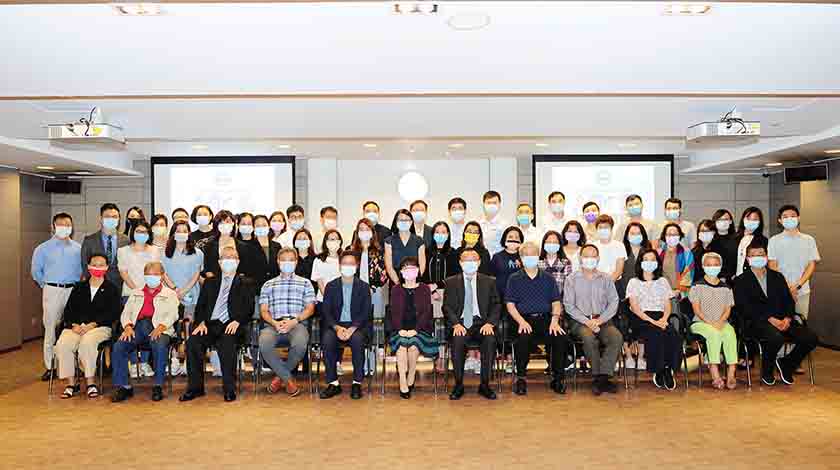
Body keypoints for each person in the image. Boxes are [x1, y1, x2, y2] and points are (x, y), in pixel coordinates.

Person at [734, 243, 818, 385]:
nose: (758, 257)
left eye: (761, 254)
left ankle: (787, 364)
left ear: (766, 257)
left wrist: (788, 318)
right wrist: (770, 319)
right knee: (775, 337)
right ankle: (767, 370)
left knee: (810, 338)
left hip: (782, 319)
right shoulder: (740, 280)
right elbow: (745, 307)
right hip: (756, 322)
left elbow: (788, 301)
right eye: (754, 255)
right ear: (748, 259)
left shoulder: (777, 277)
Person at [180, 247, 255, 403]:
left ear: (238, 262)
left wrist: (238, 321)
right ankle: (195, 388)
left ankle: (229, 389)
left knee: (227, 343)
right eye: (225, 257)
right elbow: (201, 306)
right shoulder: (210, 282)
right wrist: (200, 322)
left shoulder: (246, 283)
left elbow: (249, 308)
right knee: (193, 342)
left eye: (232, 257)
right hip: (209, 325)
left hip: (231, 324)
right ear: (220, 262)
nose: (229, 260)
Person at [505, 242, 569, 395]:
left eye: (533, 254)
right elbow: (510, 305)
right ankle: (521, 378)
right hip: (522, 319)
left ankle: (558, 378)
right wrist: (521, 321)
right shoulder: (514, 278)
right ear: (521, 258)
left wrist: (555, 321)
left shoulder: (548, 278)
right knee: (523, 337)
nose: (530, 257)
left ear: (538, 256)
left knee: (560, 337)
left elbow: (556, 302)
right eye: (526, 255)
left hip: (546, 319)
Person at [111, 261, 179, 402]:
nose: (151, 277)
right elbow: (126, 313)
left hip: (160, 329)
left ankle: (158, 386)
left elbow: (173, 314)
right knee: (119, 346)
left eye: (155, 274)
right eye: (148, 274)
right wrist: (127, 326)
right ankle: (124, 387)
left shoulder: (170, 294)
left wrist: (161, 327)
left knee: (159, 345)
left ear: (162, 276)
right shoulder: (136, 293)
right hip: (137, 329)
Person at [54, 253, 120, 399]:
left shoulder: (111, 289)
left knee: (87, 343)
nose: (98, 268)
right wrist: (73, 325)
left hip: (99, 327)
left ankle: (91, 383)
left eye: (101, 265)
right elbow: (68, 310)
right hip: (76, 327)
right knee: (63, 344)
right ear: (88, 267)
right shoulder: (79, 287)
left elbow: (114, 313)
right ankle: (71, 384)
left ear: (107, 268)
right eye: (94, 265)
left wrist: (94, 324)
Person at [563, 244, 623, 395]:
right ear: (580, 258)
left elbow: (614, 301)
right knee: (588, 337)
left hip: (603, 320)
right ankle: (598, 376)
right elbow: (568, 305)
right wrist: (587, 321)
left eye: (593, 256)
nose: (589, 259)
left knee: (616, 337)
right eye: (586, 256)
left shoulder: (606, 278)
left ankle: (603, 377)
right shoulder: (571, 279)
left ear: (598, 258)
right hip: (580, 322)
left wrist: (600, 320)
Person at [442, 248, 501, 400]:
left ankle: (485, 385)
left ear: (479, 262)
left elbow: (496, 305)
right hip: (461, 323)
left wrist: (490, 323)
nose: (470, 263)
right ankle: (458, 385)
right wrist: (455, 324)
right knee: (457, 340)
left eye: (473, 259)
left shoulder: (489, 281)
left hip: (482, 323)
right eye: (466, 260)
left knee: (490, 340)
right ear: (460, 263)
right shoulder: (450, 282)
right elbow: (447, 307)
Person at [259, 248, 317, 397]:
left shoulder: (306, 283)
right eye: (284, 260)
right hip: (273, 325)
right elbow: (264, 310)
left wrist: (294, 321)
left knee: (300, 343)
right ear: (278, 262)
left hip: (297, 323)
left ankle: (280, 377)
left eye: (291, 260)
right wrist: (274, 323)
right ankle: (288, 379)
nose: (287, 263)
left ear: (296, 262)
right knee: (264, 343)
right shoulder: (268, 284)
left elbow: (310, 308)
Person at [625, 249, 681, 390]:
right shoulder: (633, 282)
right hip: (641, 318)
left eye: (653, 260)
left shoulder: (663, 281)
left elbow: (667, 305)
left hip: (661, 317)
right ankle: (659, 369)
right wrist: (653, 321)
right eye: (646, 260)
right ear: (640, 262)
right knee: (656, 332)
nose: (649, 263)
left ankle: (668, 369)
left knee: (673, 334)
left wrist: (664, 319)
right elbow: (635, 308)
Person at [319, 251, 372, 400]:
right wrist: (337, 328)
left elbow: (366, 312)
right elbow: (326, 311)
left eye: (351, 263)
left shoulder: (364, 287)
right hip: (336, 325)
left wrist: (352, 328)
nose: (348, 266)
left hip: (357, 326)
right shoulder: (331, 286)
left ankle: (357, 382)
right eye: (345, 263)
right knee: (327, 339)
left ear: (356, 266)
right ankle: (333, 383)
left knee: (357, 340)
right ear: (339, 265)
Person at [387, 257, 438, 399]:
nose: (409, 271)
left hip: (420, 329)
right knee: (402, 347)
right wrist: (400, 330)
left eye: (413, 268)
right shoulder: (396, 289)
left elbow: (426, 312)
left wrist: (415, 330)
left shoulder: (424, 289)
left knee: (414, 345)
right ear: (401, 272)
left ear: (418, 271)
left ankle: (411, 373)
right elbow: (394, 312)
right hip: (399, 329)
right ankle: (403, 381)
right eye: (406, 268)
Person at [161, 220, 204, 375]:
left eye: (184, 231)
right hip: (170, 296)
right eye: (178, 231)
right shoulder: (165, 252)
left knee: (188, 328)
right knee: (171, 328)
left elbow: (197, 274)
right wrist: (174, 289)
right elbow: (163, 273)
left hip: (192, 295)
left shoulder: (197, 253)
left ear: (189, 233)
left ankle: (188, 361)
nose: (181, 234)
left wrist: (184, 291)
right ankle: (173, 360)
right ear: (173, 233)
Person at [689, 252, 738, 390]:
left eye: (716, 264)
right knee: (714, 334)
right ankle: (714, 372)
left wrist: (720, 322)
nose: (712, 267)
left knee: (730, 332)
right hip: (700, 323)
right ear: (703, 266)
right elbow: (696, 310)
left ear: (720, 266)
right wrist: (711, 323)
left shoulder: (726, 288)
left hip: (721, 322)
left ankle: (731, 372)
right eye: (709, 264)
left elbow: (728, 309)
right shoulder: (696, 286)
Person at [768, 205, 820, 320]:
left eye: (792, 216)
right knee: (783, 324)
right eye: (785, 217)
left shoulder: (809, 240)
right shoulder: (774, 240)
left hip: (802, 291)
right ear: (780, 221)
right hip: (781, 291)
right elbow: (772, 265)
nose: (789, 219)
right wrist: (787, 287)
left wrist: (798, 286)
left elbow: (811, 265)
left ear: (798, 218)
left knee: (800, 323)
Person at [203, 210, 266, 281]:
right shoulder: (209, 245)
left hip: (238, 284)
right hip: (215, 282)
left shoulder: (243, 246)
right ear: (216, 225)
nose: (224, 225)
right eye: (221, 222)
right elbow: (207, 269)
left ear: (233, 223)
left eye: (227, 222)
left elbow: (247, 269)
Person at [81, 203, 129, 289]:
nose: (111, 219)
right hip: (96, 286)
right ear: (101, 218)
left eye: (114, 217)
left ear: (119, 219)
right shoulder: (89, 240)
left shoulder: (126, 240)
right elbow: (85, 266)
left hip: (119, 287)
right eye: (107, 216)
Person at [385, 209, 427, 284]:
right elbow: (389, 267)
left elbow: (422, 265)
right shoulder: (389, 241)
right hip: (395, 281)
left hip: (415, 281)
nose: (404, 222)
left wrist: (414, 281)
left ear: (411, 222)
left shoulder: (419, 240)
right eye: (401, 220)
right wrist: (398, 283)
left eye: (406, 220)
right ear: (396, 222)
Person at [657, 223, 694, 298]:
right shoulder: (658, 252)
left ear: (680, 236)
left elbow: (688, 274)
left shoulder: (687, 253)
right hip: (661, 292)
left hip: (679, 294)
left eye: (675, 234)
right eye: (669, 234)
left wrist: (678, 291)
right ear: (664, 236)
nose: (672, 237)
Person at [490, 226, 524, 301]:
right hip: (501, 297)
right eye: (510, 237)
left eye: (517, 237)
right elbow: (491, 278)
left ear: (521, 241)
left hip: (521, 297)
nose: (513, 239)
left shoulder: (524, 257)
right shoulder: (497, 257)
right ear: (504, 239)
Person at [734, 207, 768, 277]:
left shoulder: (763, 241)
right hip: (735, 279)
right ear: (743, 219)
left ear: (759, 222)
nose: (751, 221)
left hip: (753, 278)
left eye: (755, 219)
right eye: (748, 218)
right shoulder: (733, 239)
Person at [312, 229, 343, 302]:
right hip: (323, 300)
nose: (333, 241)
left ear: (340, 241)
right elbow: (319, 282)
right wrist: (328, 298)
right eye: (331, 239)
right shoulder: (319, 260)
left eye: (336, 239)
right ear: (326, 242)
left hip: (341, 300)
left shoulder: (344, 259)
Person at [592, 215, 626, 282]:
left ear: (611, 229)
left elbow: (619, 271)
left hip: (615, 282)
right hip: (596, 282)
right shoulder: (592, 246)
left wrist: (608, 283)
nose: (603, 230)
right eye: (600, 227)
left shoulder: (619, 246)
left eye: (606, 227)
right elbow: (591, 268)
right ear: (596, 229)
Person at [708, 209, 738, 282]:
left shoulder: (737, 239)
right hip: (713, 278)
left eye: (726, 219)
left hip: (733, 279)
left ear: (730, 221)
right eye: (720, 219)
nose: (723, 222)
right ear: (715, 222)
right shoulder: (710, 240)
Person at [252, 214, 283, 282]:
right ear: (253, 228)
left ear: (269, 226)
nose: (261, 228)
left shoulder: (277, 246)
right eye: (258, 226)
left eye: (264, 225)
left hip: (274, 283)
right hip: (255, 285)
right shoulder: (249, 247)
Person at [478, 190, 508, 256]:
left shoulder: (505, 225)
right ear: (483, 205)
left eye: (494, 203)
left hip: (497, 260)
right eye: (489, 203)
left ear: (499, 205)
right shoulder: (478, 224)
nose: (491, 205)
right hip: (482, 259)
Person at [691, 219, 716, 284]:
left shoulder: (720, 250)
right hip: (697, 285)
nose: (705, 233)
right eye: (702, 231)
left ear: (714, 232)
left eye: (708, 230)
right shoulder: (694, 252)